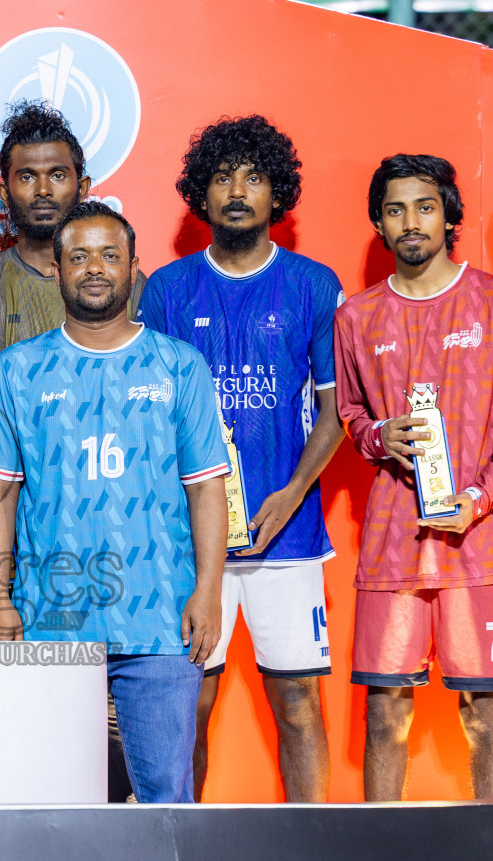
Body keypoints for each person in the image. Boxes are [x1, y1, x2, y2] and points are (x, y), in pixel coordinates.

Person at [0, 201, 229, 803]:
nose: (94, 268)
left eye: (110, 255)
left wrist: (209, 591)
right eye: (79, 256)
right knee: (52, 799)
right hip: (49, 619)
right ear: (55, 269)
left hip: (161, 620)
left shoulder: (180, 366)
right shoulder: (18, 369)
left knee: (165, 798)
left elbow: (205, 487)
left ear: (134, 268)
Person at [0, 100, 145, 800]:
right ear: (3, 191)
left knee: (114, 735)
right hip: (7, 545)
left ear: (83, 183)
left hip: (118, 543)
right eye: (26, 177)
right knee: (13, 732)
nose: (43, 189)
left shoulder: (127, 283)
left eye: (57, 174)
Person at [139, 115, 343, 803]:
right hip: (193, 544)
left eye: (253, 178)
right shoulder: (168, 291)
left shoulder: (313, 285)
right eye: (222, 177)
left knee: (299, 706)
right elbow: (151, 418)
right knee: (189, 706)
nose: (236, 191)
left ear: (276, 192)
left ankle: (311, 846)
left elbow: (336, 409)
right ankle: (184, 843)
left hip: (289, 536)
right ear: (201, 192)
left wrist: (292, 492)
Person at [334, 154, 493, 801]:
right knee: (384, 716)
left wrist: (478, 498)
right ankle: (380, 853)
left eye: (425, 207)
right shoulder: (356, 317)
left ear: (449, 216)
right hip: (392, 547)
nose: (411, 222)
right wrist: (378, 436)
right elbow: (350, 413)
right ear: (378, 223)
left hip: (477, 548)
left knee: (485, 717)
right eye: (395, 210)